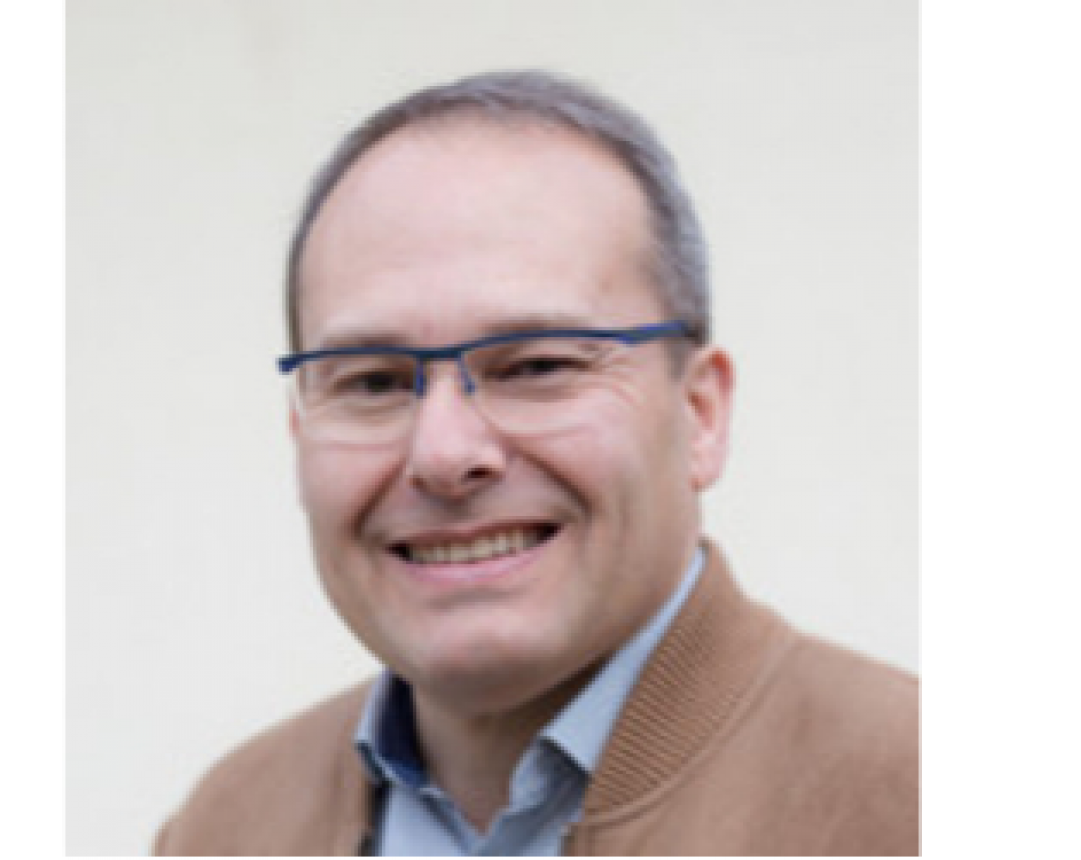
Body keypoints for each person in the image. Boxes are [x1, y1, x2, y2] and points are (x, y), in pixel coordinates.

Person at [154, 70, 918, 856]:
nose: (444, 454)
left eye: (537, 367)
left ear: (700, 414)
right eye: (373, 382)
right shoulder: (226, 829)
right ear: (299, 429)